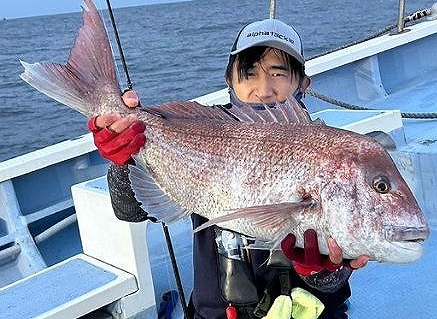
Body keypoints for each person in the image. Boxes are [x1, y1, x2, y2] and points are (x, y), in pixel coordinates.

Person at [88, 18, 368, 319]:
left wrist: (322, 274)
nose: (263, 89)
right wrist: (126, 157)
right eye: (248, 75)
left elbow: (337, 278)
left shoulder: (330, 157)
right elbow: (130, 211)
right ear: (229, 81)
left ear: (303, 84)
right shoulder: (201, 131)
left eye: (278, 74)